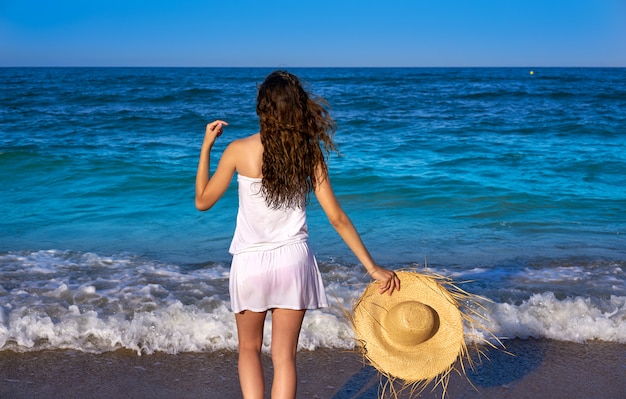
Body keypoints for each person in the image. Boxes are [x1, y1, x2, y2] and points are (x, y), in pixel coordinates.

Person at [195, 70, 400, 399]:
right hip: (293, 261)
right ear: (297, 107)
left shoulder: (237, 150)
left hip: (250, 264)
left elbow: (202, 201)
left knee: (249, 349)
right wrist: (372, 268)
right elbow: (337, 217)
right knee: (284, 357)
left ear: (263, 107)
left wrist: (206, 147)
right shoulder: (309, 152)